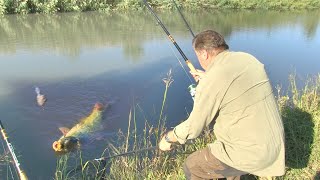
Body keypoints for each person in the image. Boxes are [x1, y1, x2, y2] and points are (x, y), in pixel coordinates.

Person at [159, 30, 285, 180]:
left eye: (198, 55)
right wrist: (207, 78)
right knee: (226, 164)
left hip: (253, 154)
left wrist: (168, 138)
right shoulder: (248, 59)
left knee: (193, 166)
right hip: (276, 146)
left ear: (204, 54)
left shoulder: (212, 79)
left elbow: (193, 128)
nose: (199, 60)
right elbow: (235, 83)